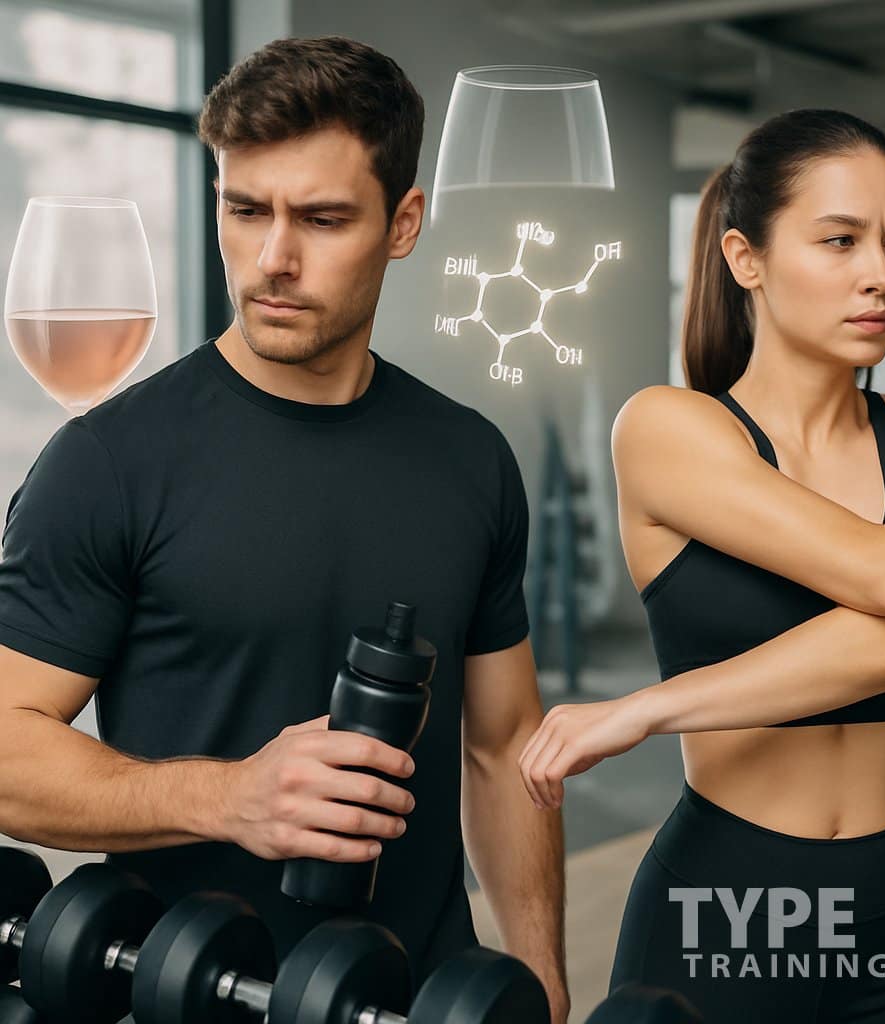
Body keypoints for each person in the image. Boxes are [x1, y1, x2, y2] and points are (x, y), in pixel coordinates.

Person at [0, 35, 568, 1019]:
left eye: (322, 218)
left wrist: (539, 975)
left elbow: (503, 741)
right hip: (182, 987)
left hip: (417, 994)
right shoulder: (110, 462)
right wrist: (224, 796)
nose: (273, 258)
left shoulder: (472, 459)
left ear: (403, 224)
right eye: (245, 209)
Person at [518, 108, 885, 1020]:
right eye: (840, 241)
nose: (881, 275)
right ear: (745, 258)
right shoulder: (670, 429)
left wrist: (644, 709)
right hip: (721, 908)